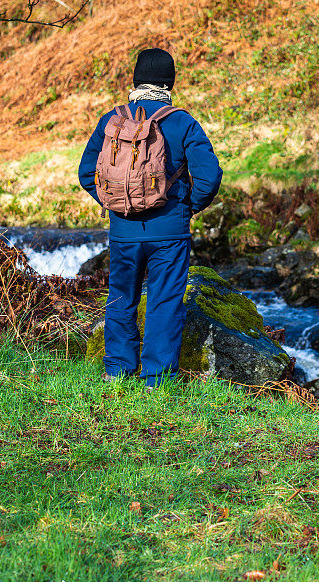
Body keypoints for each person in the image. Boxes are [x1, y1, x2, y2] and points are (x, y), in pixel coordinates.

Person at [78, 48, 222, 388]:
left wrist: (118, 204)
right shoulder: (183, 122)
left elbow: (87, 174)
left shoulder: (111, 121)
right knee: (164, 301)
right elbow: (209, 177)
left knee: (121, 297)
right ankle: (156, 381)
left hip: (123, 232)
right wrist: (186, 208)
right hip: (170, 231)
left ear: (135, 79)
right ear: (170, 83)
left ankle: (117, 372)